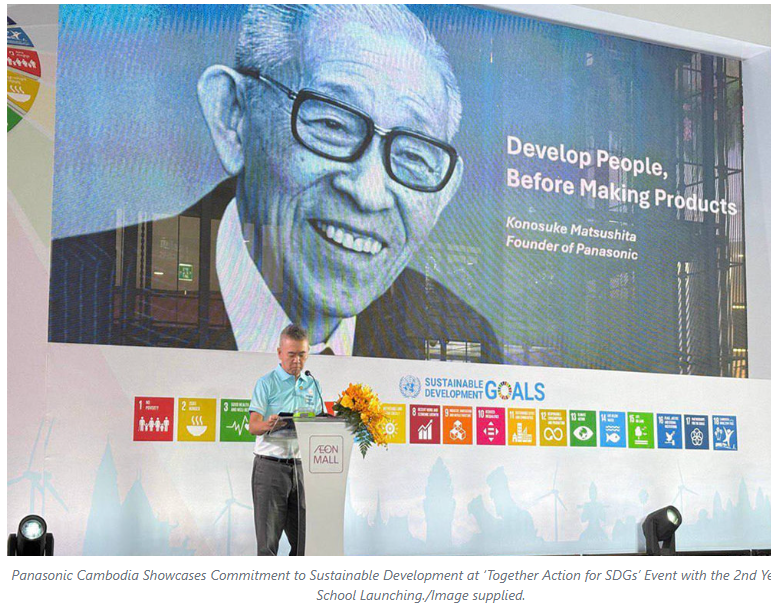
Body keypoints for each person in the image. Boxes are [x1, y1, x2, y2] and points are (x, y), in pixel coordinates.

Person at [48, 4, 501, 363]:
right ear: (233, 116)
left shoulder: (462, 340)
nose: (367, 191)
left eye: (413, 155)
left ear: (444, 194)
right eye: (331, 123)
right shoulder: (67, 297)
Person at [248, 323, 323, 556]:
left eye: (302, 354)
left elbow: (319, 423)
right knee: (268, 546)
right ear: (280, 353)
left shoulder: (313, 384)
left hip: (301, 468)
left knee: (304, 544)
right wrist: (269, 425)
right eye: (291, 355)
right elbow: (253, 426)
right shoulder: (266, 383)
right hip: (270, 468)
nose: (297, 361)